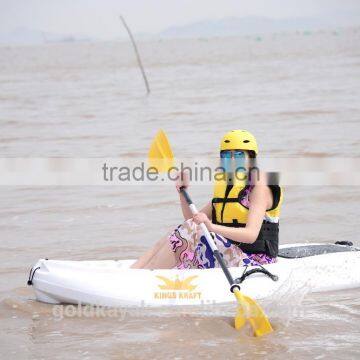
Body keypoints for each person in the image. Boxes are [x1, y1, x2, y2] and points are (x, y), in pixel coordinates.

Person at [131, 130, 283, 269]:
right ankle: (136, 272)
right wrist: (183, 192)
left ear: (251, 157)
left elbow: (250, 235)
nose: (231, 160)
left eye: (237, 155)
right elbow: (191, 220)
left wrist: (211, 227)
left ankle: (151, 274)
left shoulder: (260, 188)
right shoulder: (229, 186)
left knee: (190, 231)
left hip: (255, 261)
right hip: (229, 253)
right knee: (177, 231)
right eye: (225, 155)